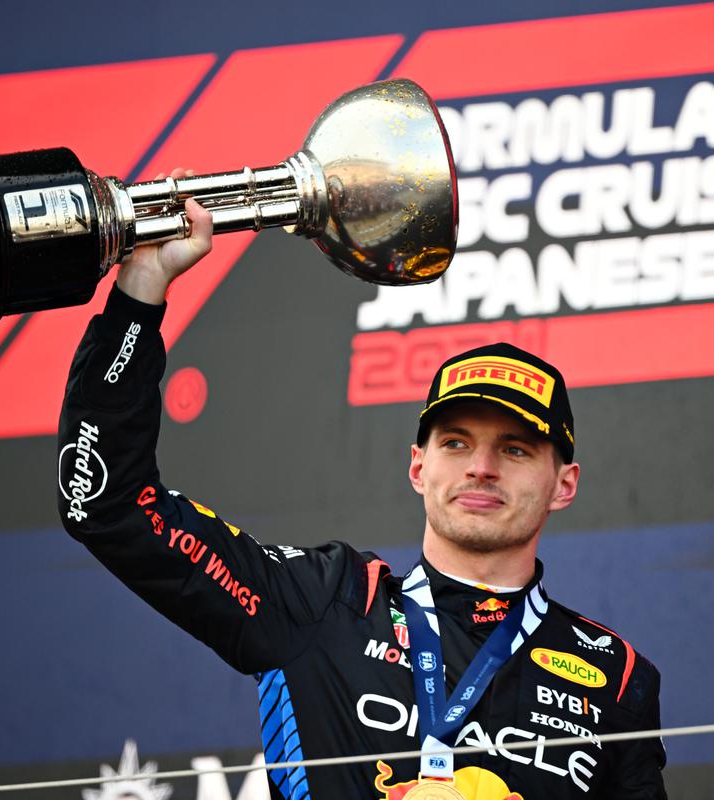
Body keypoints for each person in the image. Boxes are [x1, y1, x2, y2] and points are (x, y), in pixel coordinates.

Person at [58, 172, 667, 799]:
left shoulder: (614, 677)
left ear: (564, 484)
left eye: (514, 449)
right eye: (455, 443)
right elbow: (109, 504)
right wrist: (138, 295)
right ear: (417, 466)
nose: (480, 467)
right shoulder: (324, 603)